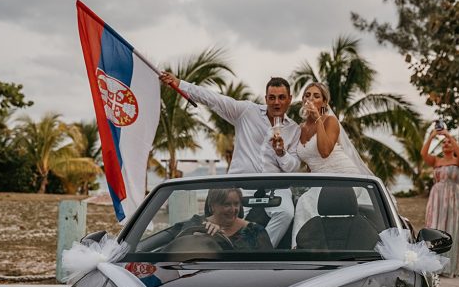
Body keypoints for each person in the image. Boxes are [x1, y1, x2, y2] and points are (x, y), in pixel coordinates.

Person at [160, 73, 299, 246]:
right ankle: (230, 248)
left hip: (275, 185)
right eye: (272, 98)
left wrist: (281, 153)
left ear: (289, 99)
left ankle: (259, 250)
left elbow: (293, 167)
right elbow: (214, 99)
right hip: (241, 183)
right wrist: (180, 83)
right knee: (227, 217)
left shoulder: (294, 129)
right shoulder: (247, 111)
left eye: (281, 98)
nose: (276, 102)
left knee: (286, 213)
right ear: (266, 98)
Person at [290, 82, 374, 246]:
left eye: (316, 96)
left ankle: (302, 248)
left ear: (324, 102)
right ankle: (304, 248)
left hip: (343, 174)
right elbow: (309, 161)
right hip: (320, 180)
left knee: (305, 203)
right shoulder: (300, 128)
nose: (311, 99)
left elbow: (325, 151)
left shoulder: (330, 121)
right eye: (307, 95)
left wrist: (318, 119)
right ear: (302, 101)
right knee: (305, 201)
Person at [421, 126, 459, 277]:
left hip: (454, 199)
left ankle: (450, 267)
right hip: (437, 199)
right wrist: (432, 135)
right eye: (444, 142)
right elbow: (423, 153)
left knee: (452, 229)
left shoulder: (458, 160)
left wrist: (448, 134)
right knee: (435, 227)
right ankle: (435, 265)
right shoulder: (436, 160)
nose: (446, 144)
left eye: (449, 142)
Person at [166, 188, 272, 251]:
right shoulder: (196, 223)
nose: (233, 209)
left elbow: (269, 266)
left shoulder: (256, 231)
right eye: (226, 204)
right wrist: (203, 233)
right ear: (212, 206)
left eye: (236, 204)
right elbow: (178, 248)